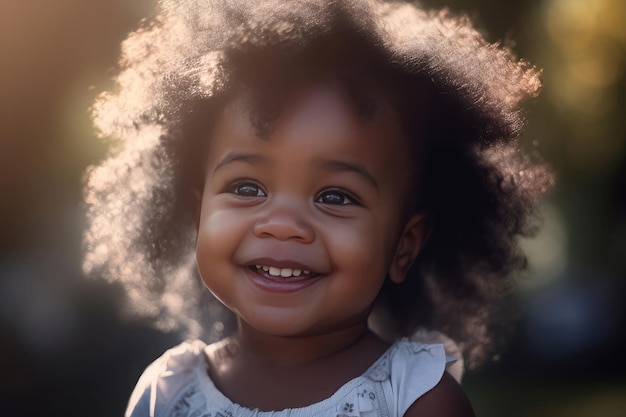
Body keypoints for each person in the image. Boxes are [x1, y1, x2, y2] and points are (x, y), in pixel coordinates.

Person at [83, 0, 552, 415]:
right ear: (197, 213)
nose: (283, 225)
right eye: (247, 187)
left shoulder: (415, 400)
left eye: (335, 196)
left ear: (403, 248)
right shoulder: (166, 393)